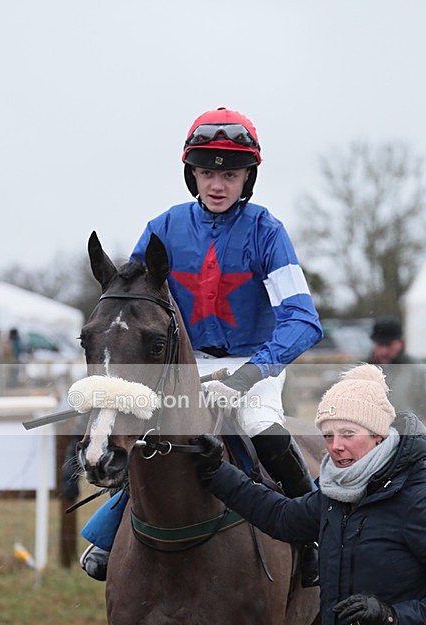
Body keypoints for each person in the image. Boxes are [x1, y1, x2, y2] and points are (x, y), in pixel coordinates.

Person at [80, 106, 323, 581]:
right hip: (180, 365)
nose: (218, 184)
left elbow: (303, 321)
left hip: (254, 364)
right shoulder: (163, 228)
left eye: (230, 174)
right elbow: (133, 308)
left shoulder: (267, 232)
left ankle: (311, 535)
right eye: (207, 172)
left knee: (260, 427)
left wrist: (249, 375)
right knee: (143, 432)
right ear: (191, 174)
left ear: (247, 178)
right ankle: (112, 531)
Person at [193, 364, 426, 625]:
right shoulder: (339, 492)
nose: (335, 445)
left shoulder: (419, 497)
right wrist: (215, 472)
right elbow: (282, 516)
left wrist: (391, 617)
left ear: (379, 435)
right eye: (328, 434)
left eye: (349, 434)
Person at [369, 316, 426, 427]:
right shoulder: (362, 371)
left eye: (388, 345)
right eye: (379, 345)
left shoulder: (419, 372)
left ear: (400, 343)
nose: (383, 351)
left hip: (410, 440)